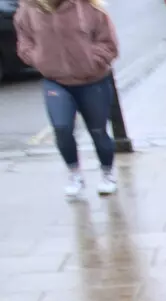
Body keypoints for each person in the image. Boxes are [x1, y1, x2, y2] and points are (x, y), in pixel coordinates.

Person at [13, 0, 120, 199]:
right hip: (56, 81)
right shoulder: (28, 10)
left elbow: (109, 43)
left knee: (98, 131)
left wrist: (93, 60)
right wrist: (38, 58)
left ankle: (107, 173)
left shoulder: (89, 7)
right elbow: (24, 43)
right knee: (61, 128)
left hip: (93, 81)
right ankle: (74, 174)